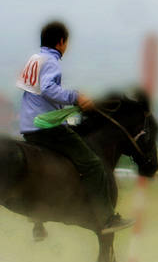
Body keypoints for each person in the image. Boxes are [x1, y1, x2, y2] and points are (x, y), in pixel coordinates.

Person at [16, 21, 132, 234]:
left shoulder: (34, 59)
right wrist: (75, 97)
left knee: (45, 165)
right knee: (94, 165)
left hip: (28, 126)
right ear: (61, 42)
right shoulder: (51, 61)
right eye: (67, 42)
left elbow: (36, 93)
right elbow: (49, 89)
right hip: (47, 127)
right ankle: (107, 219)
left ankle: (37, 217)